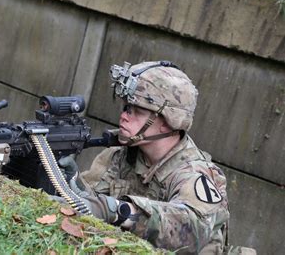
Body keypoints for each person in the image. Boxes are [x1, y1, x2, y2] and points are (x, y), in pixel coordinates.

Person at [60, 61, 230, 254]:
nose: (124, 116)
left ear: (168, 123)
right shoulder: (120, 154)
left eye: (137, 111)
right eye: (126, 108)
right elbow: (91, 207)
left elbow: (191, 231)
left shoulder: (193, 173)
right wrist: (74, 183)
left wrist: (118, 211)